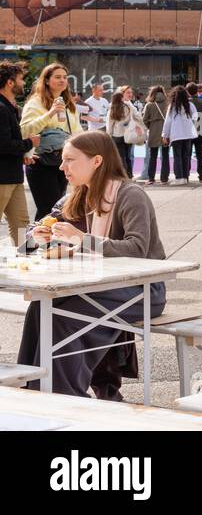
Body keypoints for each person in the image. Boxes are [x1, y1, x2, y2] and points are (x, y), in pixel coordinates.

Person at [16, 131, 168, 398]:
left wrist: (83, 240)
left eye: (70, 160)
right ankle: (33, 391)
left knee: (64, 317)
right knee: (40, 306)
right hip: (100, 286)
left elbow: (137, 248)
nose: (62, 167)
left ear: (96, 161)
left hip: (143, 289)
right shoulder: (75, 196)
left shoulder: (130, 195)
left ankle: (64, 397)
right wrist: (33, 239)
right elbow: (29, 237)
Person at [21, 62, 82, 220]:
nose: (62, 80)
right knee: (49, 210)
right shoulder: (35, 103)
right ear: (46, 80)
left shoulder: (69, 104)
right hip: (41, 163)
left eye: (65, 77)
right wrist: (51, 112)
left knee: (55, 210)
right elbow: (25, 130)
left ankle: (43, 244)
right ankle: (34, 243)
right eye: (57, 77)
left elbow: (76, 131)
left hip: (62, 163)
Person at [0, 61, 38, 246]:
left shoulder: (9, 107)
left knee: (21, 222)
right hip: (2, 178)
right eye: (21, 79)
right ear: (10, 82)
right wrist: (30, 143)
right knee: (20, 223)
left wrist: (23, 154)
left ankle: (26, 255)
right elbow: (3, 144)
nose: (23, 83)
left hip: (13, 177)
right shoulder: (1, 108)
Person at [162, 85, 200, 184]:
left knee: (177, 156)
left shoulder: (173, 106)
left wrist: (165, 135)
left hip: (177, 134)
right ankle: (186, 177)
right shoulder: (190, 105)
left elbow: (168, 122)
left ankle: (179, 178)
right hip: (188, 134)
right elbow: (196, 118)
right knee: (186, 156)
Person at [106, 85, 144, 177]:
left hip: (117, 135)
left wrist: (109, 134)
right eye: (128, 93)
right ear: (122, 94)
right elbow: (138, 117)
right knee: (128, 156)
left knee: (121, 156)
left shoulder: (113, 106)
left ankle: (124, 175)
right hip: (128, 134)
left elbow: (110, 122)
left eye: (131, 92)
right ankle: (129, 175)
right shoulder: (129, 106)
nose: (130, 94)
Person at [141, 86, 169, 185]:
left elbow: (144, 120)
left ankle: (151, 178)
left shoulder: (149, 105)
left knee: (153, 156)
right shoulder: (168, 104)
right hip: (166, 133)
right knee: (165, 156)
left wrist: (151, 127)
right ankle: (164, 178)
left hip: (153, 132)